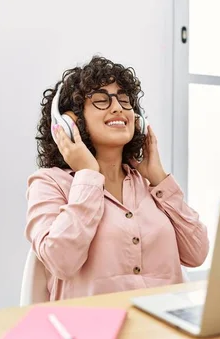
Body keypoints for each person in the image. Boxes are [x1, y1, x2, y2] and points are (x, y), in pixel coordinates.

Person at [25, 56, 209, 300]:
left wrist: (159, 179)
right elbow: (61, 261)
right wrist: (88, 175)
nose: (118, 108)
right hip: (93, 331)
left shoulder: (151, 186)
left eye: (124, 100)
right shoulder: (49, 183)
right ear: (70, 122)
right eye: (101, 100)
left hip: (164, 331)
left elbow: (197, 253)